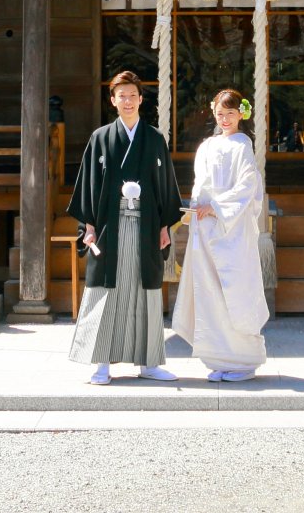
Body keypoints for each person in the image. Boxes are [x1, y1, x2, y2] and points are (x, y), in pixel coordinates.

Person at [66, 70, 184, 385]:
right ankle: (101, 364)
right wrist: (89, 226)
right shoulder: (101, 138)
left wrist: (164, 226)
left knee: (145, 292)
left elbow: (164, 186)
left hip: (146, 225)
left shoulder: (154, 138)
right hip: (109, 225)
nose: (128, 101)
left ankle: (149, 363)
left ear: (141, 99)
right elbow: (89, 185)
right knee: (106, 291)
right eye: (122, 96)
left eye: (133, 95)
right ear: (113, 101)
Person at [171, 88, 268, 381]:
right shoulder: (207, 146)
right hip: (206, 228)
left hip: (232, 230)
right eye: (220, 113)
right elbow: (200, 184)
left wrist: (215, 207)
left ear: (241, 114)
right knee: (209, 293)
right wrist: (198, 209)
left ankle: (243, 361)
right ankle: (219, 358)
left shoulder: (243, 145)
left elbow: (246, 185)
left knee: (235, 291)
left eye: (230, 113)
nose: (225, 119)